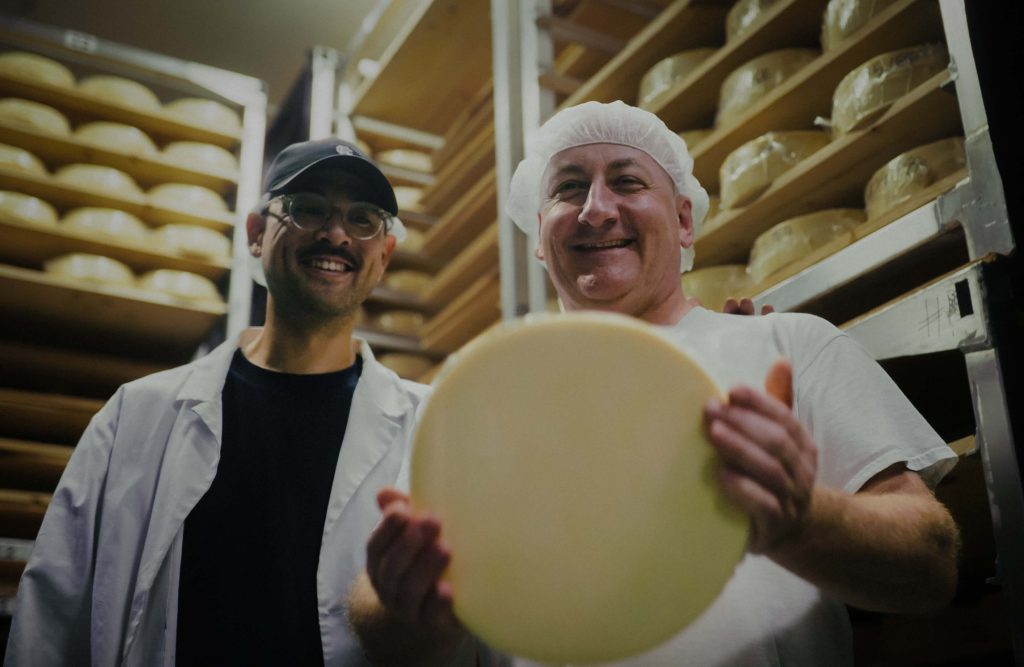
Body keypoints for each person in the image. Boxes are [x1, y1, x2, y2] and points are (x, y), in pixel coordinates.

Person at [347, 101, 961, 666]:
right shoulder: (474, 398)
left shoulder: (787, 347)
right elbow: (381, 631)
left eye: (627, 180)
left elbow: (932, 564)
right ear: (539, 237)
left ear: (685, 219)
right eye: (568, 188)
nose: (596, 208)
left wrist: (805, 523)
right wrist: (409, 598)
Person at [5, 138, 441, 666]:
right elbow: (54, 611)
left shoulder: (432, 426)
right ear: (257, 235)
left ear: (384, 257)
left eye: (363, 219)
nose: (336, 234)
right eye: (308, 208)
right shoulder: (137, 414)